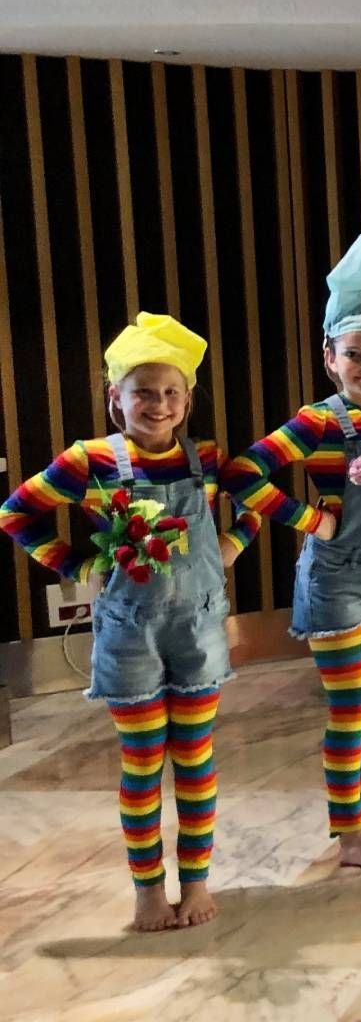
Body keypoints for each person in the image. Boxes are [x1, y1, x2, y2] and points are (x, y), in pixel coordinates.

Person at [2, 314, 258, 930]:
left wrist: (235, 542)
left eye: (171, 392)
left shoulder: (207, 459)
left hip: (196, 630)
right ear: (116, 398)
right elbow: (17, 513)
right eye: (143, 391)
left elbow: (259, 495)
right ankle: (147, 891)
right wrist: (74, 563)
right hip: (130, 635)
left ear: (188, 399)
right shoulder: (89, 460)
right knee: (143, 762)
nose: (159, 404)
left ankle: (195, 883)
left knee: (195, 760)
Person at [223, 235, 361, 870]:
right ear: (329, 358)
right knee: (350, 707)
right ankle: (350, 836)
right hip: (337, 582)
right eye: (352, 355)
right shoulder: (318, 421)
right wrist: (310, 517)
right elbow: (244, 473)